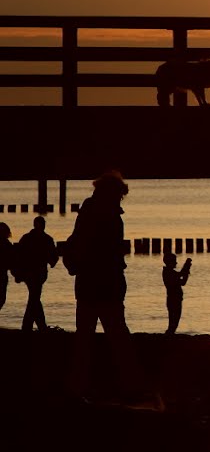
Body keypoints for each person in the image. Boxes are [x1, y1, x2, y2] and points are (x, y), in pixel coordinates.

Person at [64, 171, 151, 405]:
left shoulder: (87, 214)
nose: (120, 200)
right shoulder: (108, 217)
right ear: (112, 194)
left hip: (87, 284)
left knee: (85, 337)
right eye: (119, 196)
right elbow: (108, 253)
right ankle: (129, 385)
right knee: (118, 336)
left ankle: (78, 386)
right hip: (105, 284)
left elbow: (75, 244)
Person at [17, 215, 58, 332]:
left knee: (34, 297)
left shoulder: (26, 238)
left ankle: (37, 325)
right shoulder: (47, 239)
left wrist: (19, 273)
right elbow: (53, 259)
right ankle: (30, 326)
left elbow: (19, 255)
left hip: (28, 274)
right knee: (34, 298)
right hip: (38, 274)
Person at [162, 253, 192, 335]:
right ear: (169, 262)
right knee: (173, 321)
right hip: (173, 299)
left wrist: (186, 269)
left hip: (175, 299)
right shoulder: (168, 272)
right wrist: (186, 266)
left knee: (174, 321)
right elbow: (181, 277)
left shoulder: (168, 272)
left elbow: (183, 281)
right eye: (174, 261)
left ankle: (169, 335)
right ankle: (169, 336)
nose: (176, 263)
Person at [0, 222, 11, 315]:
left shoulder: (7, 244)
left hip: (3, 273)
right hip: (2, 274)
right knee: (1, 298)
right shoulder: (6, 244)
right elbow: (12, 261)